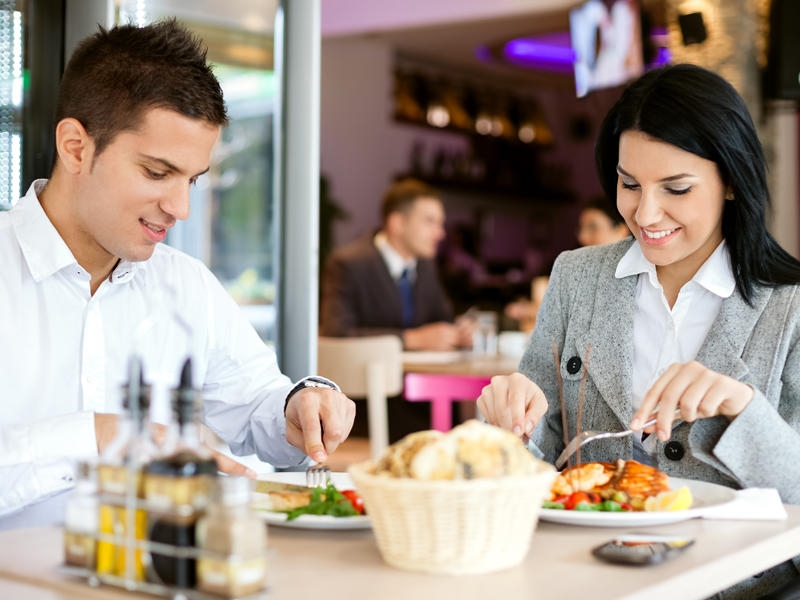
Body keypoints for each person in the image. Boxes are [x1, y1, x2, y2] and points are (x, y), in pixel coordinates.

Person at [0, 20, 354, 528]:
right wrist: (100, 437)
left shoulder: (185, 284)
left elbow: (259, 405)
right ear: (76, 147)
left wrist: (302, 406)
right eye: (157, 173)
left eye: (193, 179)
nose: (181, 207)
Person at [479, 64, 800, 597]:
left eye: (675, 188)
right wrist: (508, 429)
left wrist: (745, 410)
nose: (645, 212)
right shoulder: (576, 277)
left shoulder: (789, 306)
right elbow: (539, 451)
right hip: (582, 579)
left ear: (731, 183)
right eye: (629, 184)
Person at [320, 178, 473, 351]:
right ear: (397, 223)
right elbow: (336, 334)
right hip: (368, 374)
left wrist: (459, 332)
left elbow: (442, 319)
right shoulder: (348, 264)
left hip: (421, 374)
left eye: (440, 223)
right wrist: (411, 339)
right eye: (430, 221)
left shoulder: (425, 266)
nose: (441, 233)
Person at [505, 197, 629, 332]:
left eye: (593, 227)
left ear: (622, 230)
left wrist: (533, 311)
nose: (583, 237)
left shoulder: (630, 276)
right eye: (581, 228)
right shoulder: (579, 270)